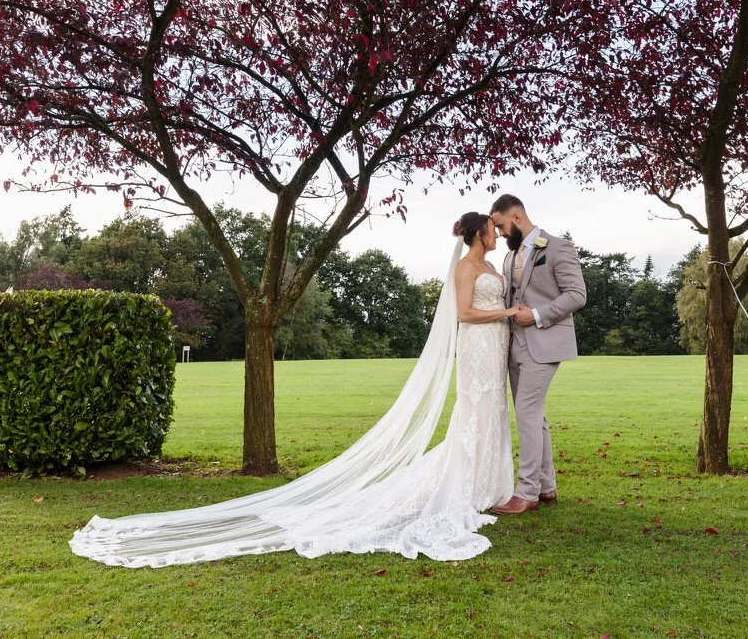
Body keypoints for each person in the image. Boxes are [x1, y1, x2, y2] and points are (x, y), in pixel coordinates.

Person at [70, 212, 519, 566]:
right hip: (479, 345)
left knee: (492, 412)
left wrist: (506, 316)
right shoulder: (465, 267)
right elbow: (463, 314)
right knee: (474, 413)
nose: (497, 235)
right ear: (479, 232)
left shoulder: (493, 265)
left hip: (494, 347)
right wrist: (504, 314)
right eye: (492, 230)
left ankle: (487, 484)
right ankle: (468, 487)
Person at [488, 194, 586, 515]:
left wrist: (537, 315)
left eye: (501, 226)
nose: (499, 233)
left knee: (527, 414)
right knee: (534, 416)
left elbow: (576, 295)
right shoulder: (508, 257)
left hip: (544, 343)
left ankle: (526, 492)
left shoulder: (558, 247)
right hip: (514, 347)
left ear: (516, 218)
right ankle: (546, 487)